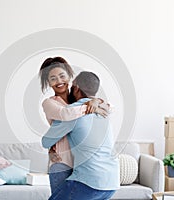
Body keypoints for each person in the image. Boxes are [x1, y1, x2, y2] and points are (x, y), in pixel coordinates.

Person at [42, 71, 120, 200]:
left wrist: (51, 145)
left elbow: (45, 141)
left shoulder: (72, 113)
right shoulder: (104, 110)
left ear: (76, 87)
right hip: (111, 183)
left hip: (89, 182)